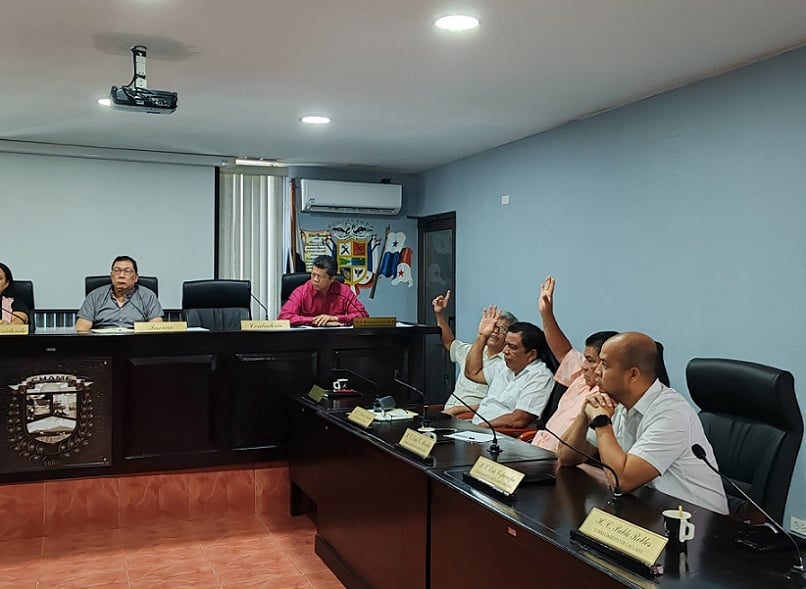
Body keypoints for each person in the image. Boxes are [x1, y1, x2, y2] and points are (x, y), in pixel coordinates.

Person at [557, 331, 728, 514]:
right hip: (648, 510)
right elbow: (567, 457)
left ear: (632, 375)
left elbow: (621, 481)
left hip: (697, 523)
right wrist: (584, 415)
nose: (597, 371)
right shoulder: (617, 402)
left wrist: (600, 421)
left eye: (604, 365)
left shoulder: (671, 412)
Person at [532, 276, 617, 451]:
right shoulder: (580, 377)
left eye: (591, 361)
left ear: (607, 363)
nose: (584, 365)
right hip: (535, 447)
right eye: (585, 358)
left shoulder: (608, 398)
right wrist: (546, 313)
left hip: (557, 461)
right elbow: (562, 351)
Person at [464, 306, 554, 428]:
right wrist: (482, 336)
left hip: (501, 437)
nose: (505, 351)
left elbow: (519, 419)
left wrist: (483, 427)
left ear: (531, 354)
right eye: (506, 344)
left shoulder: (540, 376)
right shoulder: (503, 366)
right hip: (478, 429)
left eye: (512, 347)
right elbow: (472, 373)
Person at [432, 290, 517, 415]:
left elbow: (498, 404)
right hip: (448, 412)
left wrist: (457, 410)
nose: (495, 331)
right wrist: (439, 314)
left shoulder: (509, 364)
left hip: (474, 417)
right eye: (493, 326)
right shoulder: (471, 351)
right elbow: (449, 342)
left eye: (502, 329)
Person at [75, 256, 163, 331]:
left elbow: (156, 327)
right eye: (117, 271)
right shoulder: (95, 296)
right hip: (102, 345)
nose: (121, 275)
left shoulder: (147, 296)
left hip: (137, 345)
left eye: (127, 271)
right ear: (111, 275)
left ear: (136, 277)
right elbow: (81, 329)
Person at [278, 255, 368, 327]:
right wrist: (315, 321)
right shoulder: (301, 292)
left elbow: (363, 316)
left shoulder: (344, 291)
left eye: (320, 276)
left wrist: (335, 318)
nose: (315, 280)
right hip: (307, 340)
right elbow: (284, 317)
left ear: (332, 278)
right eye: (313, 275)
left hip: (336, 340)